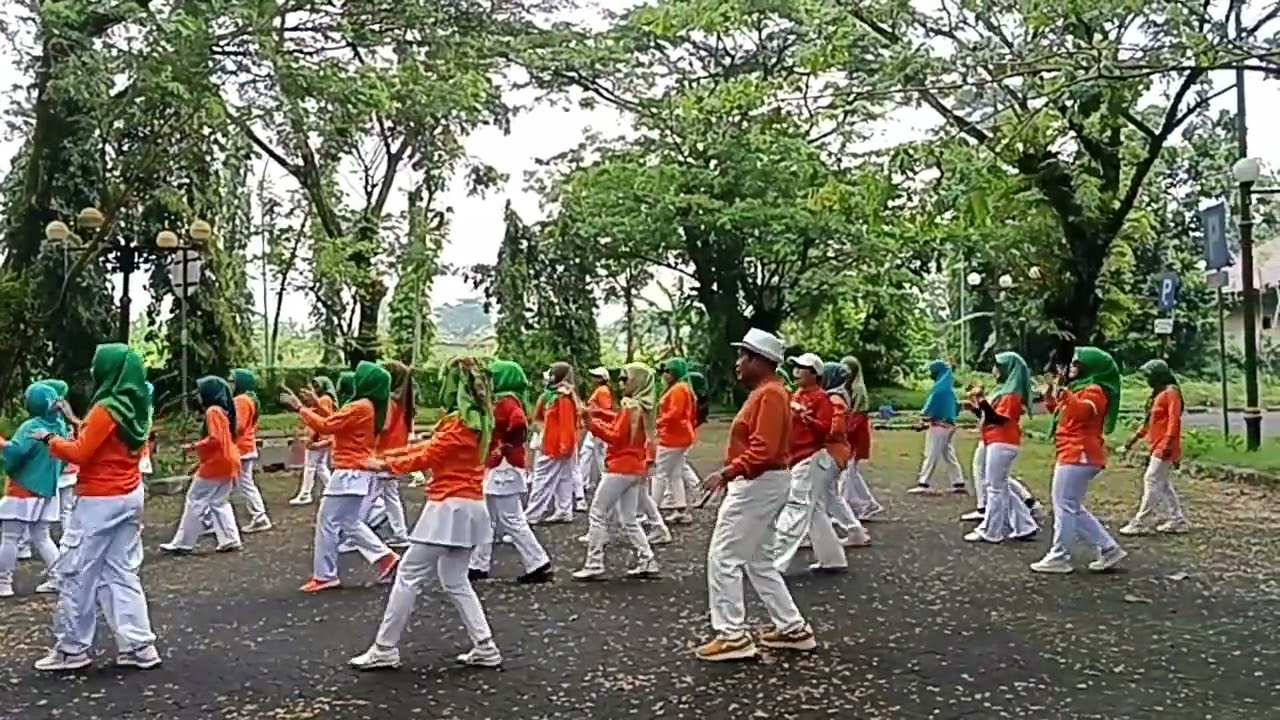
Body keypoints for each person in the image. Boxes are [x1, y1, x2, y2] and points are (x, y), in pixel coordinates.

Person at [349, 358, 502, 670]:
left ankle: (385, 647)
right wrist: (385, 457)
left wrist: (382, 463)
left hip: (449, 506)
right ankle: (485, 645)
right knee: (455, 579)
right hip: (470, 506)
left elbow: (427, 455)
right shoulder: (481, 420)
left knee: (408, 575)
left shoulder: (461, 423)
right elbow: (427, 448)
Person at [35, 343, 160, 671]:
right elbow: (102, 442)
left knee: (78, 571)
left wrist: (51, 440)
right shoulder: (138, 404)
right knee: (121, 570)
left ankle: (71, 649)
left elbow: (79, 454)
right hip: (130, 493)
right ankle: (139, 646)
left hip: (98, 500)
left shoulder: (107, 407)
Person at [696, 328, 815, 662]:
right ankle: (792, 628)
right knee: (757, 559)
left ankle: (732, 635)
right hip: (766, 481)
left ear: (760, 361)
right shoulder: (769, 393)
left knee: (724, 556)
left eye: (743, 356)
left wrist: (728, 472)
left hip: (759, 482)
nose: (738, 363)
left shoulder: (771, 395)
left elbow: (762, 450)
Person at [280, 361, 400, 592]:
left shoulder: (360, 406)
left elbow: (326, 426)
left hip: (348, 473)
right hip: (357, 472)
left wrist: (300, 408)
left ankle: (325, 575)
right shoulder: (370, 406)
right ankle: (385, 558)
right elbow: (339, 423)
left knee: (327, 522)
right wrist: (316, 405)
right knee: (349, 522)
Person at [1031, 346, 1127, 574]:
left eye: (1076, 364)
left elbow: (1083, 412)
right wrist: (1050, 395)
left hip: (1079, 452)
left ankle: (1060, 555)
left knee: (1064, 505)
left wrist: (1065, 392)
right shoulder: (1080, 388)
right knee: (1071, 505)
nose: (1071, 367)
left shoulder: (1095, 390)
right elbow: (1064, 413)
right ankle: (1108, 548)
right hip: (1074, 451)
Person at [572, 362, 660, 581]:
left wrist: (591, 423)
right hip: (635, 467)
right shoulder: (642, 406)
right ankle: (647, 558)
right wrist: (598, 414)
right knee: (629, 518)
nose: (621, 384)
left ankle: (594, 562)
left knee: (597, 512)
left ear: (636, 382)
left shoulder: (632, 406)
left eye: (625, 379)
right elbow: (619, 423)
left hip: (621, 467)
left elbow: (614, 436)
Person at [469, 360, 553, 584]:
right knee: (490, 517)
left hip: (503, 466)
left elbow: (518, 424)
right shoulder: (511, 399)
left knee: (510, 519)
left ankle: (537, 562)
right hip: (503, 466)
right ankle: (479, 563)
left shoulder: (505, 401)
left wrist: (504, 446)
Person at [160, 377, 243, 555]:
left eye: (199, 392)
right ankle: (230, 539)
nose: (197, 396)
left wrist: (194, 446)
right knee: (219, 502)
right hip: (230, 462)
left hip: (216, 463)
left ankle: (183, 543)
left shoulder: (212, 411)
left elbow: (215, 439)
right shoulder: (224, 411)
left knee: (194, 499)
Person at [962, 352, 1038, 544]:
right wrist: (976, 407)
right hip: (996, 440)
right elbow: (990, 416)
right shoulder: (1004, 390)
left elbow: (1000, 418)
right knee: (1001, 485)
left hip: (1003, 441)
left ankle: (991, 530)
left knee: (994, 487)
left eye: (998, 366)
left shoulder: (1012, 394)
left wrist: (982, 402)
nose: (994, 370)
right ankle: (1024, 525)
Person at [0, 383, 67, 597]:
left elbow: (16, 452)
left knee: (10, 537)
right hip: (46, 489)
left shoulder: (31, 426)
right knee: (42, 536)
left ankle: (3, 583)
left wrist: (2, 445)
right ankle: (59, 577)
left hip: (22, 489)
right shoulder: (59, 425)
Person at [1119, 359, 1189, 535]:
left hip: (1165, 445)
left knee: (1151, 479)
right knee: (1163, 483)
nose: (1147, 379)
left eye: (1149, 376)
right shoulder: (1157, 395)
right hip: (1157, 445)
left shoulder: (1171, 393)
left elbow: (1174, 421)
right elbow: (1147, 424)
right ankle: (1177, 519)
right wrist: (1131, 441)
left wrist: (1167, 444)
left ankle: (1141, 521)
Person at [526, 362, 580, 524]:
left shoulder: (561, 397)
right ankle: (564, 510)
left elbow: (566, 422)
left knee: (542, 480)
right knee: (564, 478)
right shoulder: (557, 395)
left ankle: (532, 514)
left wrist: (563, 444)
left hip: (556, 445)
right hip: (560, 443)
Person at [368, 360, 413, 548]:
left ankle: (356, 533)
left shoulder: (388, 401)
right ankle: (400, 533)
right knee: (390, 496)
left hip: (382, 455)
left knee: (367, 498)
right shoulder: (405, 402)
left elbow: (383, 428)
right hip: (395, 455)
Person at [653, 358, 700, 524]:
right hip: (680, 436)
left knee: (660, 473)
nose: (665, 374)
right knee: (675, 474)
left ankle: (652, 511)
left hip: (673, 437)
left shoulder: (679, 389)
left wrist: (658, 422)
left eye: (668, 371)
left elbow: (675, 413)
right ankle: (681, 509)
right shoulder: (682, 387)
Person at [911, 359, 965, 495]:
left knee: (931, 454)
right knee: (948, 454)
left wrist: (923, 418)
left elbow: (929, 408)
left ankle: (923, 482)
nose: (931, 374)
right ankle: (958, 481)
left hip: (939, 426)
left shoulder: (939, 390)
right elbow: (955, 408)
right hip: (949, 426)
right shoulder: (949, 390)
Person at [839, 356, 882, 519]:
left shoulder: (858, 392)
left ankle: (846, 506)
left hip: (855, 438)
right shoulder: (850, 389)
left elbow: (857, 420)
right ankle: (867, 503)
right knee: (852, 472)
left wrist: (843, 434)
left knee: (848, 473)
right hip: (852, 437)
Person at [229, 368, 272, 533]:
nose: (230, 384)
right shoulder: (251, 399)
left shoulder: (241, 400)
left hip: (241, 447)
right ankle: (259, 516)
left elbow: (239, 426)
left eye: (233, 381)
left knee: (243, 484)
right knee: (243, 483)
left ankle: (259, 516)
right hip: (247, 446)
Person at [290, 376, 337, 506]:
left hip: (318, 436)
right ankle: (331, 488)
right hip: (324, 437)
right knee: (320, 466)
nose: (314, 389)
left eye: (316, 386)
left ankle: (305, 494)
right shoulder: (328, 399)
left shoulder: (324, 399)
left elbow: (324, 415)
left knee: (310, 466)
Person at [574, 366, 613, 507]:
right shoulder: (599, 391)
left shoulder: (603, 391)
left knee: (600, 458)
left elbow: (605, 410)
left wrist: (588, 410)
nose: (594, 378)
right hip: (594, 428)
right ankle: (584, 483)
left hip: (599, 428)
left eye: (597, 376)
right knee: (587, 456)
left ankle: (605, 485)